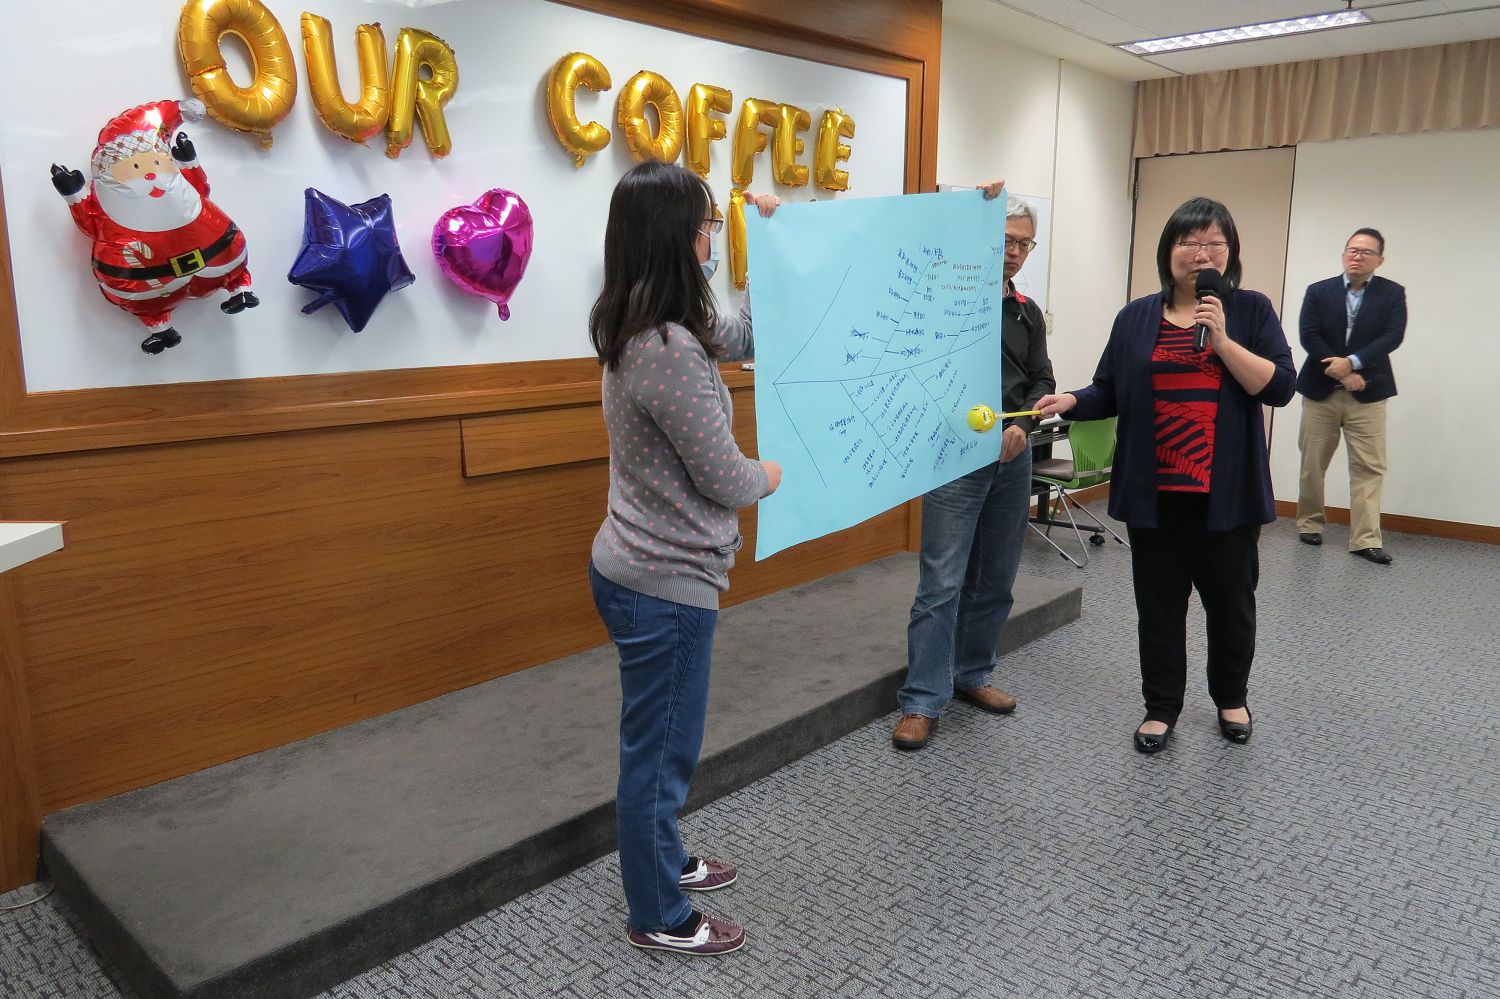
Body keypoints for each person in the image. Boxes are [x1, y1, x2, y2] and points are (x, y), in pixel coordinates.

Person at [587, 160, 781, 957]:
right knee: (660, 755)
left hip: (650, 569)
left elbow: (750, 333)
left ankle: (665, 856)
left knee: (661, 743)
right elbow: (725, 478)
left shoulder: (664, 318)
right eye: (707, 225)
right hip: (661, 583)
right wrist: (775, 474)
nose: (712, 236)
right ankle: (659, 913)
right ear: (675, 235)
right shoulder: (662, 345)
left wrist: (767, 243)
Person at [1036, 197, 1295, 753]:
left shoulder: (1249, 310)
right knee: (1158, 609)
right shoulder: (1135, 317)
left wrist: (1222, 340)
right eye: (1189, 242)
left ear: (1229, 253)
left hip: (1225, 495)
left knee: (1231, 606)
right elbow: (1107, 389)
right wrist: (1072, 400)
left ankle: (1231, 698)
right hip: (1156, 495)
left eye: (1213, 243)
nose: (1201, 253)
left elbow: (1277, 388)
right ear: (1168, 251)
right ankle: (1161, 708)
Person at [893, 185, 1056, 751]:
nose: (1014, 252)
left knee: (996, 577)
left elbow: (1042, 382)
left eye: (1025, 245)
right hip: (952, 457)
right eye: (1007, 240)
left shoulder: (1027, 313)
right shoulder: (943, 296)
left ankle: (973, 674)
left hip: (1012, 457)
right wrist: (971, 204)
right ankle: (921, 698)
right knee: (941, 581)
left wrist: (1025, 428)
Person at [1294, 228, 1406, 565]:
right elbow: (1309, 335)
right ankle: (1310, 523)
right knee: (1312, 463)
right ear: (1344, 254)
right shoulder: (1319, 291)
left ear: (1380, 260)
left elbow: (1392, 336)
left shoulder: (1392, 294)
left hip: (1369, 394)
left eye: (1366, 252)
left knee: (1369, 467)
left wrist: (1355, 364)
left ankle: (1365, 539)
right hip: (1321, 389)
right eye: (1351, 250)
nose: (1356, 256)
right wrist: (1342, 369)